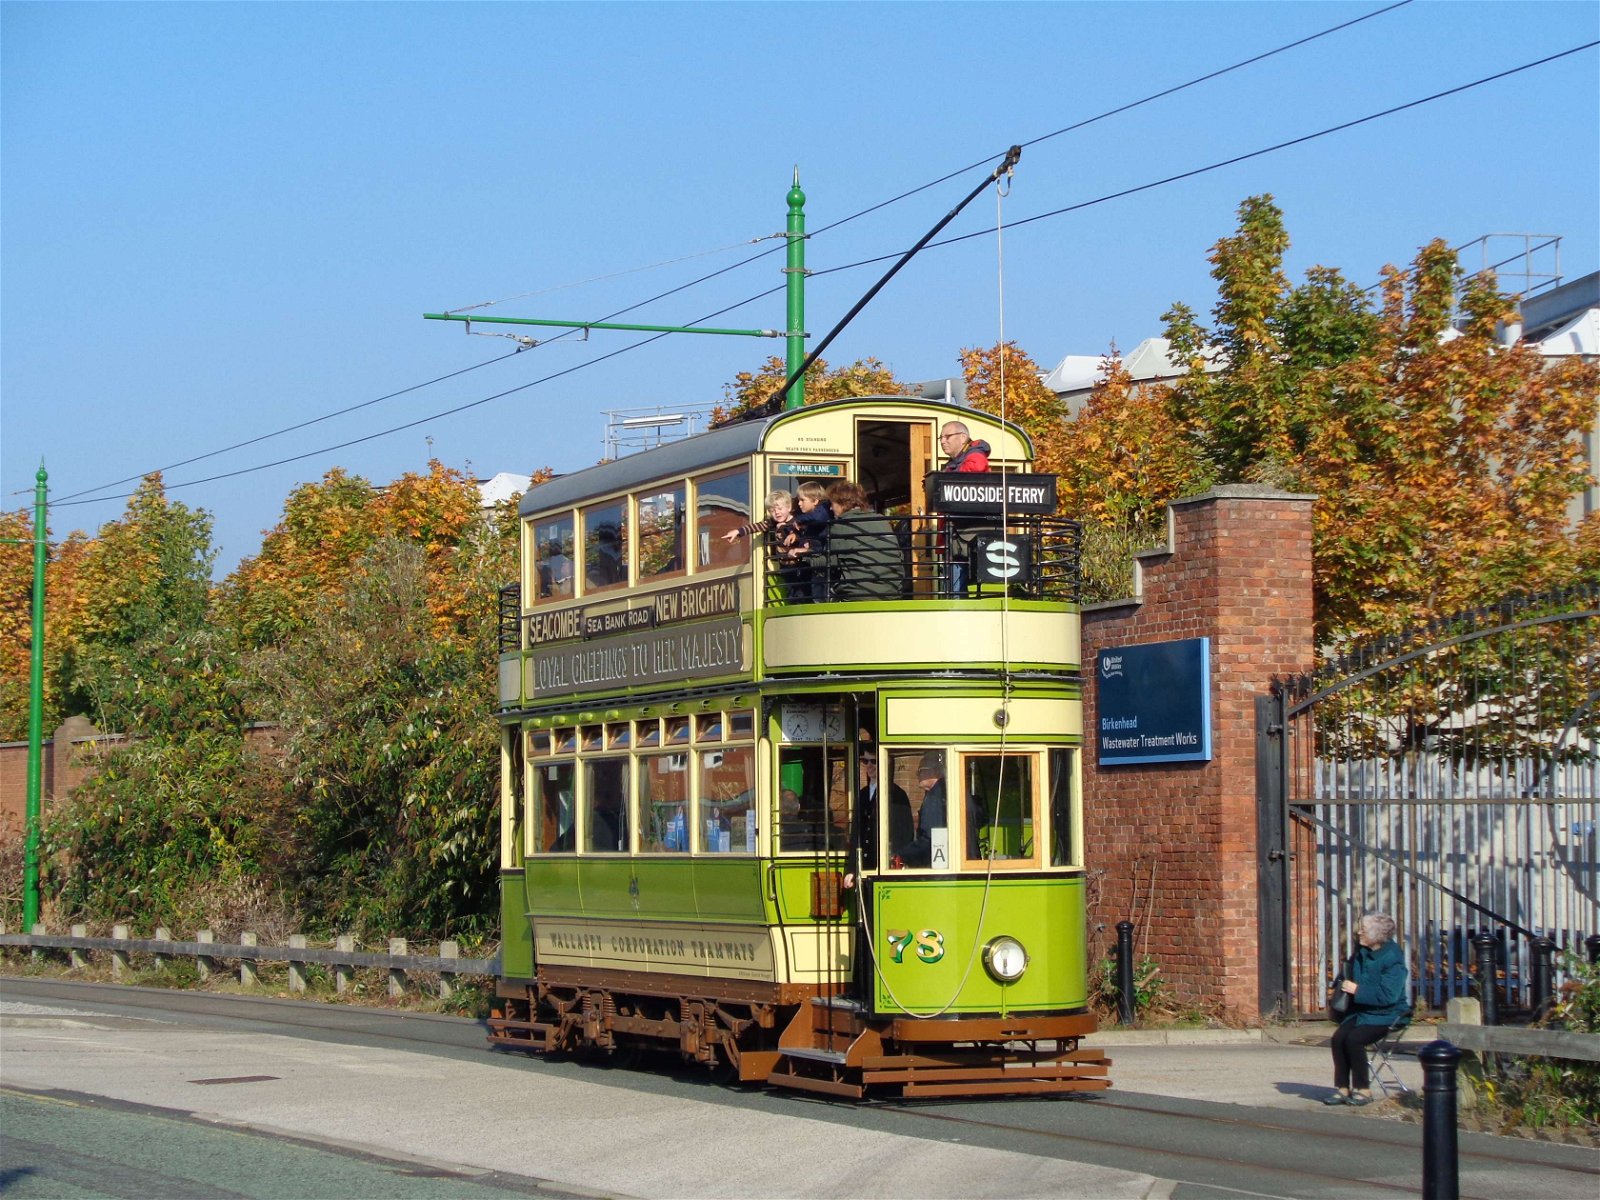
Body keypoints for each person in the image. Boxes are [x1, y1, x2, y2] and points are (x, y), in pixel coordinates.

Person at [1325, 912, 1409, 1106]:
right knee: (1338, 1039)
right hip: (1362, 1011)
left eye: (1363, 929)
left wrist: (1357, 990)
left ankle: (1363, 1090)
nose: (1359, 932)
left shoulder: (1392, 959)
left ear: (1376, 934)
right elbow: (1348, 971)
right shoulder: (1361, 951)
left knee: (1354, 1040)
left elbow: (1389, 996)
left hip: (1387, 1014)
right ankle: (1342, 1088)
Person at [844, 743, 912, 889]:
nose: (869, 765)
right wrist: (851, 869)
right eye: (865, 761)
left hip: (885, 867)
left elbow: (904, 834)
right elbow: (856, 832)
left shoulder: (896, 795)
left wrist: (896, 865)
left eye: (874, 761)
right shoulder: (862, 794)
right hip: (864, 868)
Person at [824, 480, 904, 600]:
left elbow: (830, 562)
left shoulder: (840, 526)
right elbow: (899, 555)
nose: (830, 508)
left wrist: (804, 557)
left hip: (858, 595)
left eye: (832, 503)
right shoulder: (882, 521)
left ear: (843, 503)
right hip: (893, 592)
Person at [938, 421, 991, 595]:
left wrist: (943, 481)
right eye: (941, 437)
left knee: (957, 585)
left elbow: (974, 470)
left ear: (962, 437)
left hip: (965, 534)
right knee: (953, 582)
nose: (942, 441)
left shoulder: (975, 456)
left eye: (947, 436)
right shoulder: (953, 463)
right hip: (958, 534)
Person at [722, 490, 805, 600]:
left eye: (780, 509)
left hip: (798, 564)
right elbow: (757, 526)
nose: (777, 513)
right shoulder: (772, 523)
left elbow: (800, 535)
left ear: (789, 508)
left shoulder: (796, 522)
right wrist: (738, 532)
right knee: (790, 591)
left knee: (800, 591)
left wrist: (784, 529)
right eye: (772, 510)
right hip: (785, 566)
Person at [895, 752, 949, 868]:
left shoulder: (935, 797)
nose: (917, 775)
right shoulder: (943, 792)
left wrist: (902, 855)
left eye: (920, 771)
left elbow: (929, 838)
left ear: (934, 772)